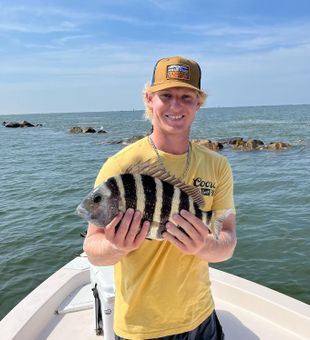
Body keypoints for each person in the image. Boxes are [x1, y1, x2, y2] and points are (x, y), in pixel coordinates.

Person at [83, 56, 237, 340]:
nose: (175, 106)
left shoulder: (217, 166)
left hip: (201, 318)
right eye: (166, 95)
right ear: (149, 99)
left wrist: (203, 245)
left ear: (198, 103)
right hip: (140, 328)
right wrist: (117, 246)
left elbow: (227, 241)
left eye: (186, 97)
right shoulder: (120, 166)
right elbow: (92, 247)